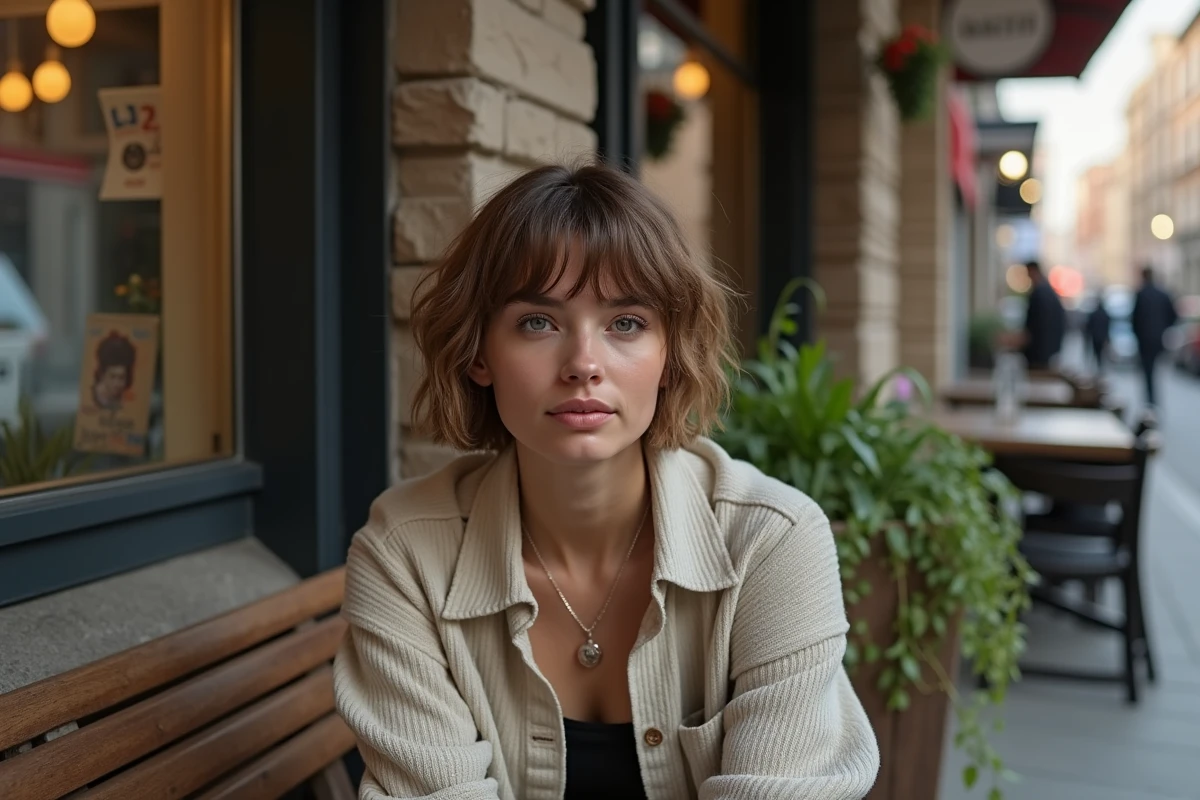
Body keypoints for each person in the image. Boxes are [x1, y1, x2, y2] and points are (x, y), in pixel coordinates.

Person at [333, 162, 879, 800]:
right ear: (478, 352)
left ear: (670, 354)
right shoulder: (404, 556)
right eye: (539, 322)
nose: (583, 365)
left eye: (626, 323)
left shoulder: (770, 543)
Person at [1131, 265, 1178, 406]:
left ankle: (1150, 400)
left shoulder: (1141, 294)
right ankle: (1152, 400)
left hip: (1145, 339)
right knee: (1155, 370)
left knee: (1147, 370)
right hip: (1158, 338)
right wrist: (1163, 328)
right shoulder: (1163, 294)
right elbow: (1173, 315)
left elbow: (1135, 318)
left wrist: (1138, 334)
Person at [1020, 260, 1066, 370]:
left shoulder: (1040, 293)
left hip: (1039, 351)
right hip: (1047, 350)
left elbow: (1037, 324)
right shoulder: (1048, 291)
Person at [91, 332, 137, 411]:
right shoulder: (95, 397)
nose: (117, 384)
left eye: (121, 378)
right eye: (112, 376)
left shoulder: (124, 400)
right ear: (102, 374)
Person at [1086, 291, 1111, 373]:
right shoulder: (1105, 314)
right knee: (1100, 354)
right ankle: (1099, 367)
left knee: (1095, 353)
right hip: (1102, 337)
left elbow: (1089, 327)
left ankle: (1097, 368)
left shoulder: (1094, 314)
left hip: (1095, 337)